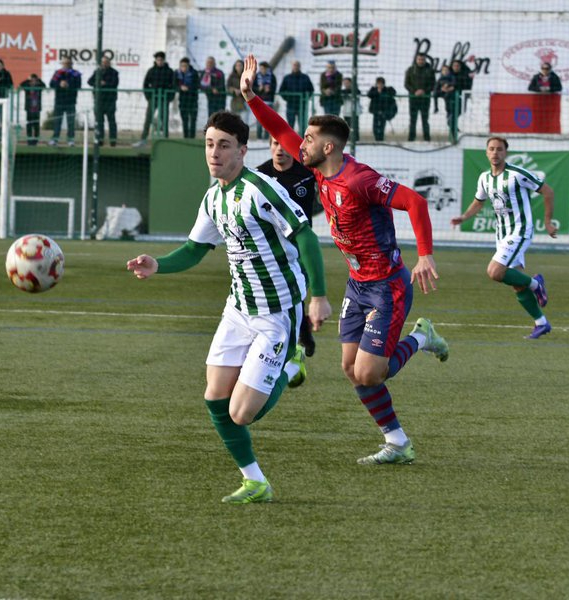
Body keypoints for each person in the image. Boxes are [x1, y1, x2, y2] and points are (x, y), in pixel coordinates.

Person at [243, 53, 449, 465]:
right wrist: (251, 97)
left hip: (387, 286)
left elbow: (416, 202)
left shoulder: (361, 180)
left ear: (329, 146)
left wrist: (424, 256)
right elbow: (279, 129)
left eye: (308, 139)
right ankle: (398, 443)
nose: (299, 144)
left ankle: (422, 336)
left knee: (372, 372)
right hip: (357, 284)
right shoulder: (318, 169)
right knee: (352, 370)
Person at [126, 110, 331, 504]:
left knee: (242, 414)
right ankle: (255, 481)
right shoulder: (213, 198)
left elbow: (305, 237)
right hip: (237, 311)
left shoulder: (261, 189)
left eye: (223, 145)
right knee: (214, 398)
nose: (214, 153)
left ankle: (290, 365)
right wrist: (158, 265)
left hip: (276, 313)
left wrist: (318, 296)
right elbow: (194, 249)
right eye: (209, 144)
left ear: (242, 150)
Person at [450, 137, 556, 339]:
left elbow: (547, 191)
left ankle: (536, 284)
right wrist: (463, 217)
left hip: (520, 229)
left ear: (505, 153)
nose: (495, 152)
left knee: (495, 271)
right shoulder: (485, 178)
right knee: (517, 283)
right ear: (486, 152)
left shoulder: (516, 174)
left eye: (499, 149)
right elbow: (479, 202)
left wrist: (548, 221)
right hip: (502, 233)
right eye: (491, 149)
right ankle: (541, 323)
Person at [257, 135, 319, 357]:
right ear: (270, 146)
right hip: (274, 245)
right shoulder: (261, 174)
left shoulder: (308, 173)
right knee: (286, 291)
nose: (279, 149)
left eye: (284, 145)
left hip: (301, 243)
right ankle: (297, 336)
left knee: (298, 288)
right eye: (275, 144)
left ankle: (299, 337)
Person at [134, 51, 175, 147]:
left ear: (164, 60)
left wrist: (169, 97)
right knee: (148, 118)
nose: (159, 62)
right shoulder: (151, 71)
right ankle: (143, 139)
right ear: (155, 60)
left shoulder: (169, 71)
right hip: (154, 98)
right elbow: (145, 84)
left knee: (164, 118)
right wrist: (149, 96)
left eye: (161, 60)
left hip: (164, 98)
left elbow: (173, 85)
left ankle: (165, 139)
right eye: (158, 60)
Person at [49, 57, 81, 147]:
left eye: (68, 63)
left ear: (71, 64)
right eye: (64, 63)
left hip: (71, 101)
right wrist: (59, 84)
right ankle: (55, 139)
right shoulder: (57, 73)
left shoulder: (76, 74)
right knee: (57, 121)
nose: (66, 65)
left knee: (70, 122)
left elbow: (78, 85)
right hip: (59, 101)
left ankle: (71, 140)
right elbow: (51, 84)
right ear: (62, 64)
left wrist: (68, 85)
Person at [87, 55, 119, 146]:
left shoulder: (114, 72)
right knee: (99, 121)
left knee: (111, 121)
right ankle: (99, 139)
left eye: (106, 62)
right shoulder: (97, 72)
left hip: (110, 100)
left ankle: (113, 140)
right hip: (99, 100)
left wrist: (105, 84)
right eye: (103, 62)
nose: (104, 64)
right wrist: (97, 83)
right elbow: (89, 82)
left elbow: (114, 83)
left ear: (109, 63)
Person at [404, 53, 435, 142]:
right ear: (416, 60)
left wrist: (424, 91)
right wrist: (414, 91)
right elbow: (406, 84)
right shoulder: (410, 70)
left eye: (422, 59)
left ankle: (427, 138)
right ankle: (411, 138)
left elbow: (433, 84)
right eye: (419, 59)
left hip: (425, 99)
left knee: (425, 120)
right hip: (413, 99)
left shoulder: (430, 70)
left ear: (425, 60)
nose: (421, 61)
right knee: (413, 120)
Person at [279, 61, 314, 131]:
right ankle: (290, 140)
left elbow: (311, 90)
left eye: (297, 65)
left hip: (302, 106)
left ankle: (302, 140)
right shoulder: (287, 78)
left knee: (303, 125)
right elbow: (281, 91)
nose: (296, 67)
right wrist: (288, 98)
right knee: (290, 125)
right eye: (294, 65)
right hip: (291, 105)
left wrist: (305, 98)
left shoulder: (305, 77)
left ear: (299, 66)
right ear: (292, 66)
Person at [175, 57, 200, 139]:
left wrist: (188, 88)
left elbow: (197, 85)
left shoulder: (194, 73)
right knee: (184, 119)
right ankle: (186, 137)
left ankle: (192, 138)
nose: (183, 68)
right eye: (182, 66)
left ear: (188, 65)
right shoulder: (176, 73)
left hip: (193, 100)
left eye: (185, 66)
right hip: (182, 100)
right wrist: (180, 88)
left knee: (193, 119)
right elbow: (173, 84)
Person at [366, 77, 397, 142]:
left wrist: (383, 92)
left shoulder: (387, 89)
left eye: (381, 84)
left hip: (384, 111)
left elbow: (393, 93)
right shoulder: (373, 89)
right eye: (378, 83)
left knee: (382, 126)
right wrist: (377, 92)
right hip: (375, 111)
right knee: (375, 126)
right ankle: (376, 138)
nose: (380, 85)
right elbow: (369, 95)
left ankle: (381, 139)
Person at [252, 61, 276, 139]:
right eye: (261, 68)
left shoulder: (272, 76)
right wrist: (259, 89)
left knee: (268, 121)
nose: (262, 70)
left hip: (269, 101)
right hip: (259, 102)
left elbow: (274, 88)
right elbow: (252, 88)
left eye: (264, 68)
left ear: (267, 69)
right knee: (259, 121)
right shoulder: (256, 76)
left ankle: (266, 137)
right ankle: (259, 137)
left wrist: (269, 89)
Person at [434, 65, 458, 143]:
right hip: (445, 97)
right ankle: (436, 107)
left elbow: (454, 84)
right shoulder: (440, 79)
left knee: (452, 119)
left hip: (452, 100)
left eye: (447, 70)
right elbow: (436, 89)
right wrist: (442, 89)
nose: (445, 72)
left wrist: (448, 87)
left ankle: (454, 137)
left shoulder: (452, 77)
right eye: (443, 70)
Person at [22, 73, 45, 146]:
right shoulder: (27, 87)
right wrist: (28, 79)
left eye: (35, 80)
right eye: (32, 81)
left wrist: (39, 80)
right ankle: (29, 139)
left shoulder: (39, 87)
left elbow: (44, 85)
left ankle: (35, 140)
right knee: (29, 125)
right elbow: (22, 84)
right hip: (29, 109)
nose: (33, 82)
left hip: (37, 109)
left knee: (36, 126)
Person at [341, 76, 360, 143]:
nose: (346, 84)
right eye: (345, 83)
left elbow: (356, 95)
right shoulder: (342, 91)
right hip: (346, 112)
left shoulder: (356, 90)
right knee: (347, 127)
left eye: (347, 83)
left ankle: (356, 140)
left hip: (354, 112)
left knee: (355, 127)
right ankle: (348, 140)